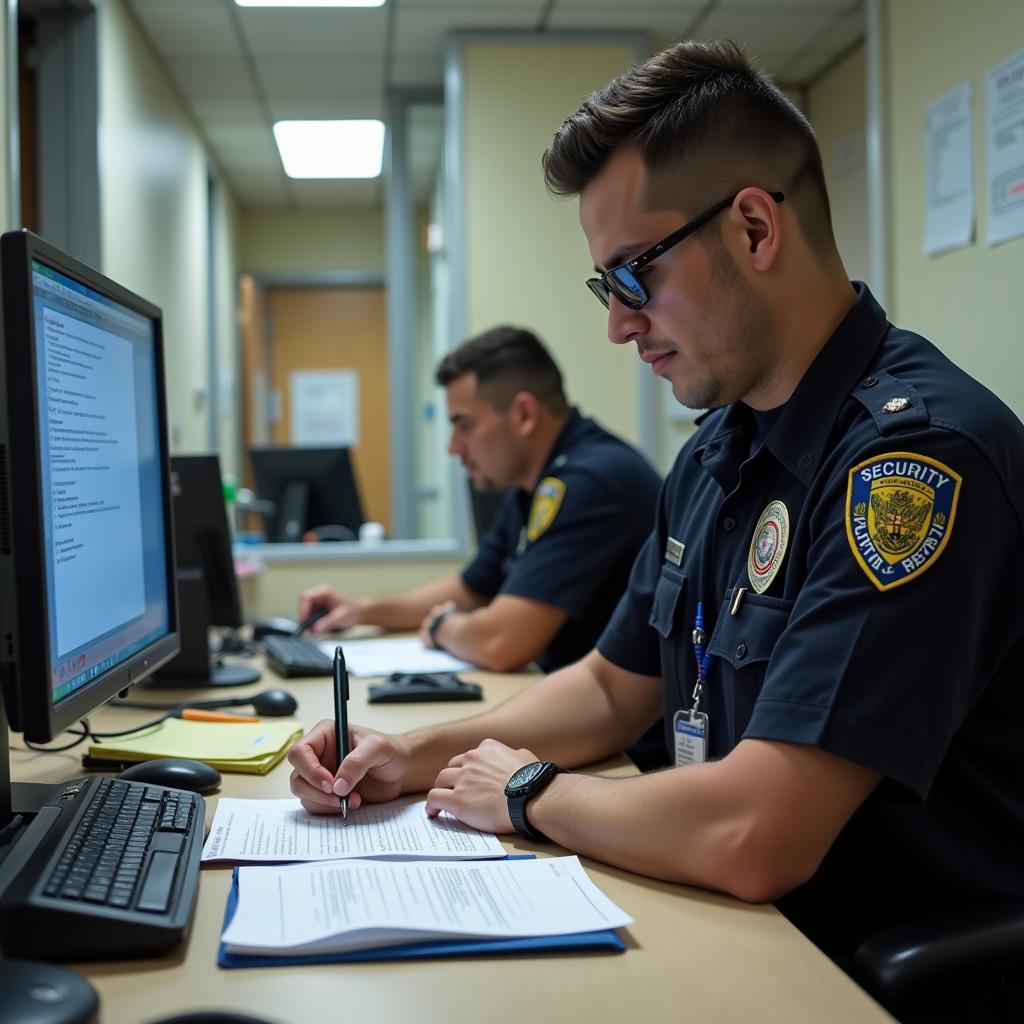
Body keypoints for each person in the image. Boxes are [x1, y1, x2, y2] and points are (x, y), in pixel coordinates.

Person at [288, 40, 1024, 1016]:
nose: (617, 325)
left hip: (863, 972)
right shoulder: (717, 452)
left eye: (632, 276)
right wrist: (406, 754)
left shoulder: (913, 468)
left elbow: (759, 829)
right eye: (607, 289)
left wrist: (529, 793)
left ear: (755, 227)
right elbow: (605, 687)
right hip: (729, 924)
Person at [299, 324, 662, 677]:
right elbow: (469, 589)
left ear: (523, 415)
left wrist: (443, 625)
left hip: (631, 735)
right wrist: (360, 610)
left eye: (464, 425)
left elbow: (501, 643)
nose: (453, 447)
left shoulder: (590, 482)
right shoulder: (533, 485)